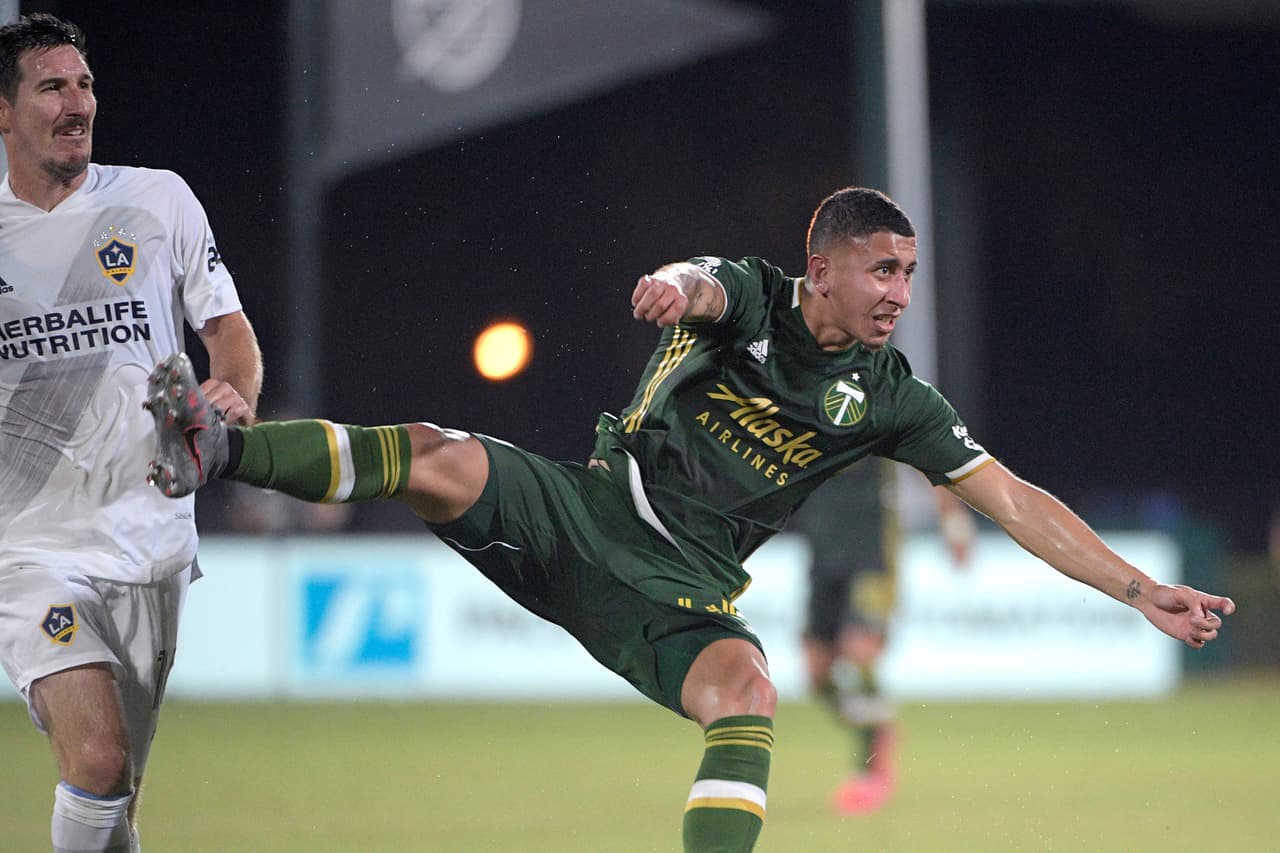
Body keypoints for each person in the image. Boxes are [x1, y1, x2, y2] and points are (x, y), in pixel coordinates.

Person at [144, 186, 1232, 853]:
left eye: (907, 271)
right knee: (436, 453)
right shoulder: (756, 294)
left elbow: (1011, 499)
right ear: (821, 271)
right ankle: (220, 447)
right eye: (879, 268)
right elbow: (700, 282)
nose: (898, 289)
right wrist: (671, 285)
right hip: (582, 513)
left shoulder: (893, 397)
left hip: (677, 598)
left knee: (746, 690)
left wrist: (1138, 590)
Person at [0, 13, 262, 853]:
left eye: (84, 85)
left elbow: (229, 335)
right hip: (30, 544)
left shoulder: (157, 199)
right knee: (99, 757)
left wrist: (232, 395)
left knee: (114, 797)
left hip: (151, 539)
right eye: (52, 86)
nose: (77, 102)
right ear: (5, 111)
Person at [790, 458, 974, 815]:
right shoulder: (796, 412)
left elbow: (929, 455)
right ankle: (877, 724)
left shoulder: (878, 407)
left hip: (872, 551)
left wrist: (953, 521)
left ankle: (870, 765)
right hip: (823, 551)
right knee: (817, 674)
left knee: (859, 654)